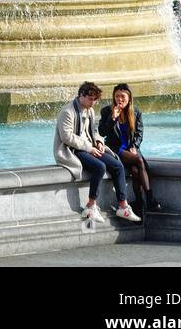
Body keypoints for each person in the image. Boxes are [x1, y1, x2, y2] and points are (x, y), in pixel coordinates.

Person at [53, 81, 142, 224]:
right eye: (90, 99)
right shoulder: (67, 111)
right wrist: (89, 147)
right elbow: (67, 137)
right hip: (73, 150)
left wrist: (99, 142)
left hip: (90, 147)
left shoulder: (90, 110)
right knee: (100, 167)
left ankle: (123, 206)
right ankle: (90, 206)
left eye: (95, 99)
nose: (93, 102)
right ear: (81, 95)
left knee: (117, 166)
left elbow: (94, 131)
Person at [99, 83, 162, 216]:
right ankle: (150, 198)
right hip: (115, 149)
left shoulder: (136, 112)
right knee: (139, 160)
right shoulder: (106, 111)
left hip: (130, 148)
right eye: (117, 96)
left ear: (129, 98)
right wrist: (113, 118)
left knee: (135, 170)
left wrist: (135, 146)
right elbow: (102, 132)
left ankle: (139, 202)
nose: (119, 99)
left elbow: (139, 133)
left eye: (123, 96)